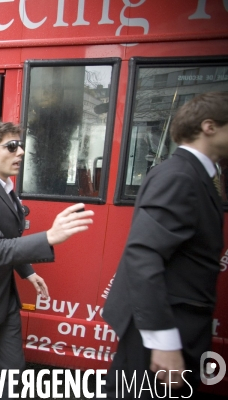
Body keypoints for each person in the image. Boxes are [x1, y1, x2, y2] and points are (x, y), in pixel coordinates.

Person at [0, 120, 94, 399]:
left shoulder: (3, 185)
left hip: (4, 300)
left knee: (14, 375)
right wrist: (49, 237)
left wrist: (27, 272)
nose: (20, 152)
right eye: (12, 146)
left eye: (21, 146)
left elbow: (7, 237)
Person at [103, 92, 228, 398]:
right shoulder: (181, 176)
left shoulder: (195, 174)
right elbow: (143, 254)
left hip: (174, 322)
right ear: (209, 127)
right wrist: (163, 341)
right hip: (164, 329)